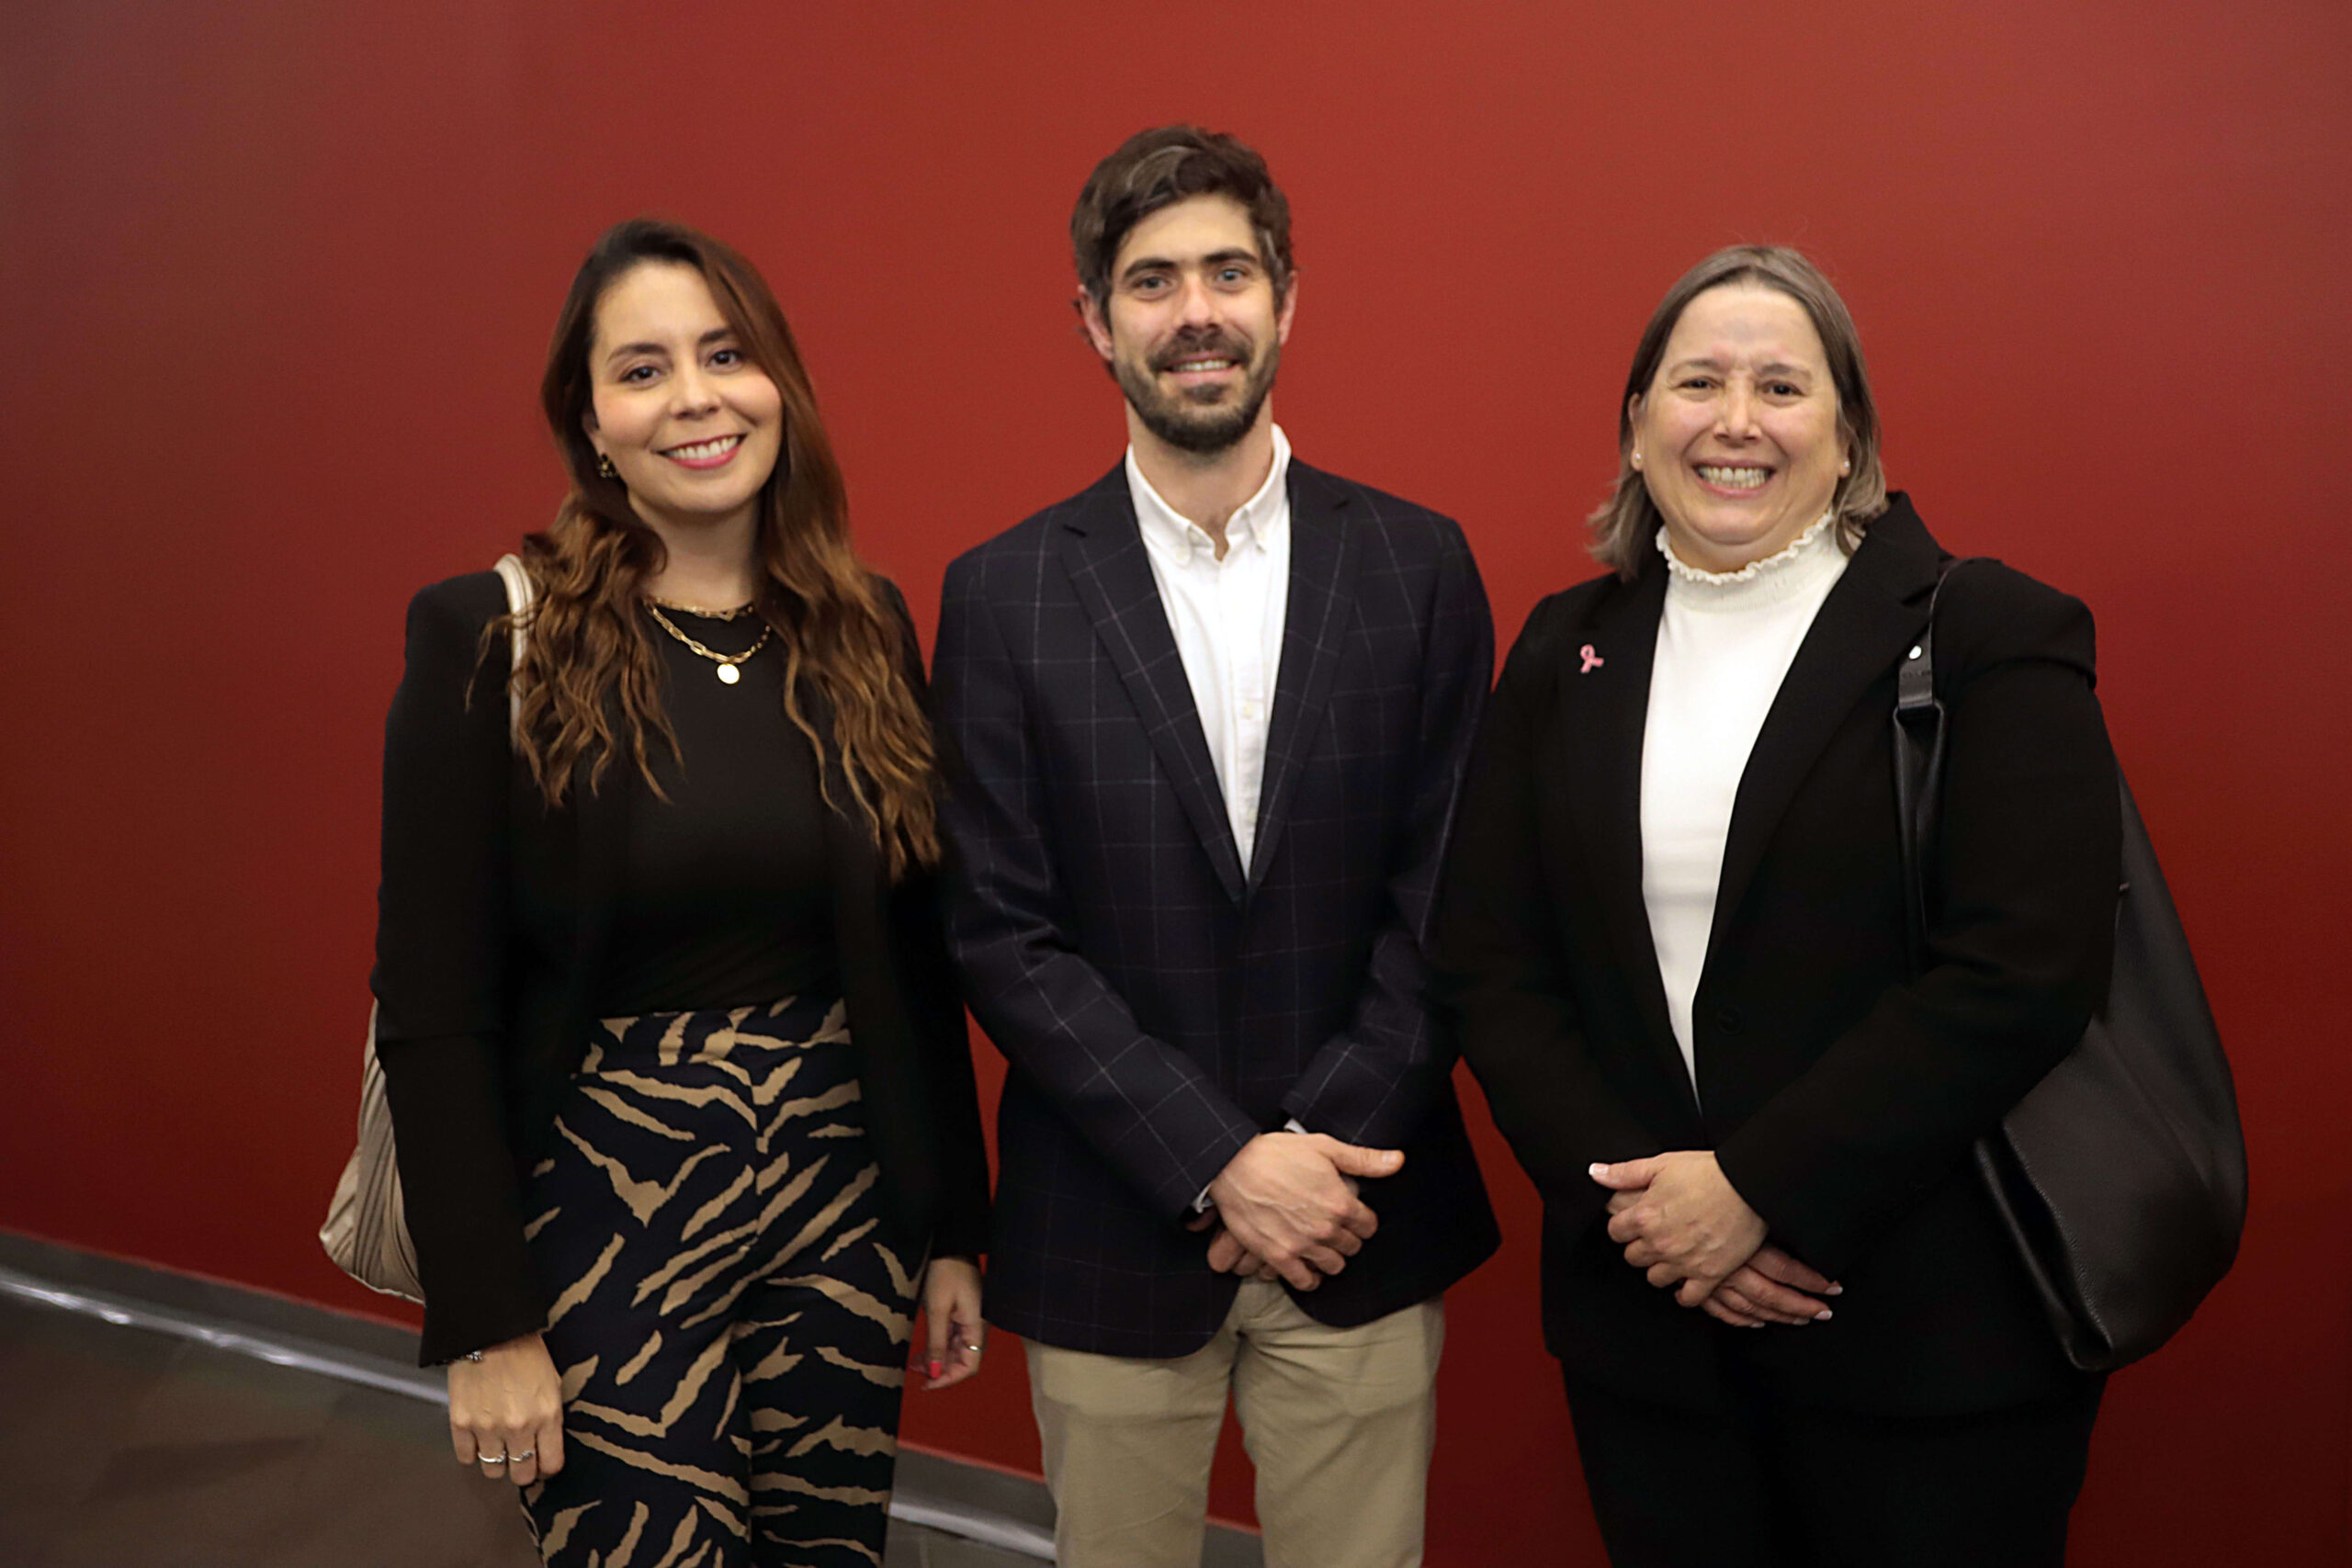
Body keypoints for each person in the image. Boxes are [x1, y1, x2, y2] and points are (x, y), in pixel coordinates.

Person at [1435, 243, 2120, 1566]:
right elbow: (1487, 959)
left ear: (1849, 432)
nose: (1735, 420)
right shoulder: (1562, 649)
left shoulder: (1990, 634)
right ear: (1637, 429)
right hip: (1652, 1339)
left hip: (1931, 1338)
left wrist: (1758, 1188)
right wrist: (1651, 1215)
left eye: (1782, 387)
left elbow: (2026, 969)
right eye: (1696, 382)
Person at [371, 218, 989, 1567]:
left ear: (781, 385)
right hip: (601, 1201)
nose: (697, 396)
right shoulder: (487, 636)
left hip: (843, 1202)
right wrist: (488, 1325)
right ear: (592, 425)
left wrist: (947, 1226)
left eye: (727, 354)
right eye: (643, 370)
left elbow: (913, 950)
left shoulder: (863, 624)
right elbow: (429, 1006)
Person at [931, 125, 1499, 1568]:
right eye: (1153, 280)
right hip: (1114, 1224)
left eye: (1229, 273)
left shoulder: (1417, 566)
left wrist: (1309, 1152)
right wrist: (1216, 1160)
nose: (1197, 312)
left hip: (1357, 1217)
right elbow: (1002, 927)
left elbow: (1451, 896)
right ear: (1094, 321)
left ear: (1286, 298)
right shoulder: (1002, 598)